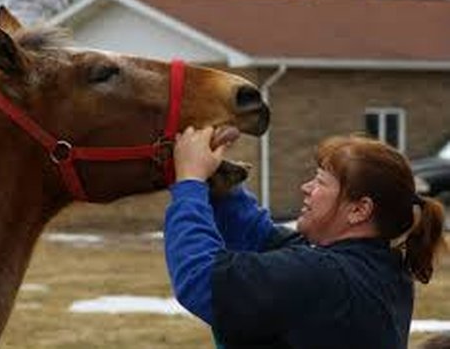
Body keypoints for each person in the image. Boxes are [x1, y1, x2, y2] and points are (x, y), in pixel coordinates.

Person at [164, 127, 447, 349]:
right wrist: (220, 178)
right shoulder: (376, 268)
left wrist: (190, 181)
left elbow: (200, 279)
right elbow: (260, 237)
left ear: (359, 210)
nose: (305, 188)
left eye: (320, 182)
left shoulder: (326, 277)